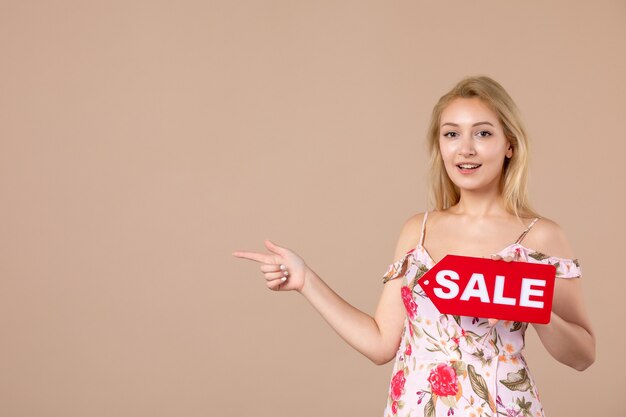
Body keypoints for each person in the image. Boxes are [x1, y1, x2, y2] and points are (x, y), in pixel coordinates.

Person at [231, 75, 595, 417]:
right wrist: (305, 280)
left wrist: (535, 307)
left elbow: (583, 355)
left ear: (509, 144)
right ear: (440, 145)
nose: (465, 149)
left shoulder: (541, 236)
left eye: (482, 133)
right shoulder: (417, 230)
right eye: (451, 134)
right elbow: (380, 344)